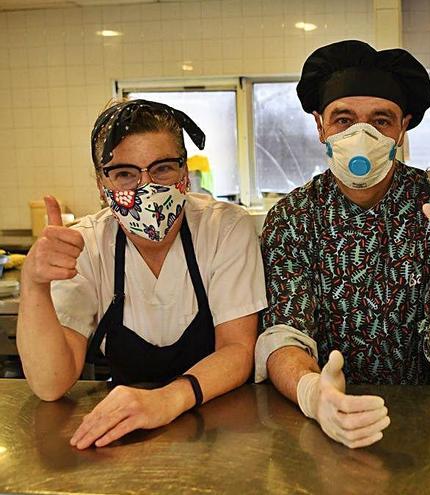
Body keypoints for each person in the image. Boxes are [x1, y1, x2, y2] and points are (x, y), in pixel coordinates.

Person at [257, 40, 430, 448]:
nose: (363, 135)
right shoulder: (293, 219)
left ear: (403, 128)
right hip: (326, 427)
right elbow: (285, 334)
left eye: (381, 120)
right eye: (343, 120)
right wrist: (312, 393)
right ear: (320, 125)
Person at [17, 99, 267, 449]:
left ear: (186, 173)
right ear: (101, 184)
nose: (146, 188)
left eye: (162, 169)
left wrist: (167, 400)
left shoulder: (224, 228)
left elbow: (238, 349)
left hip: (224, 429)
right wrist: (34, 284)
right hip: (125, 436)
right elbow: (50, 383)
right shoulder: (87, 244)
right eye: (124, 174)